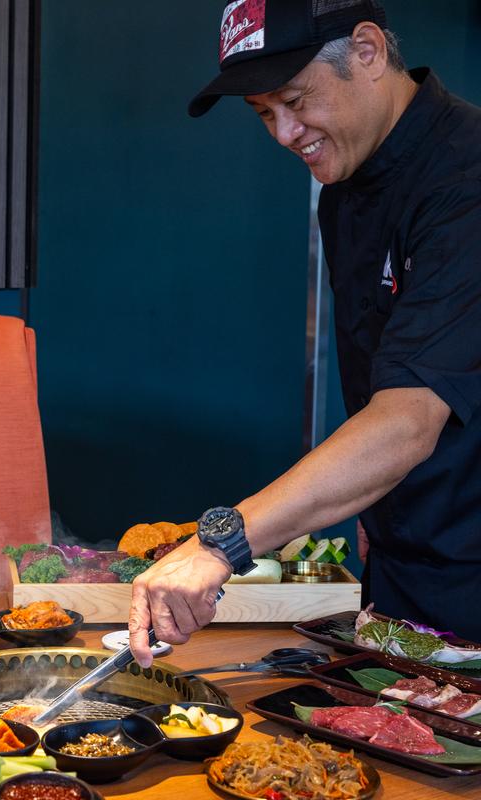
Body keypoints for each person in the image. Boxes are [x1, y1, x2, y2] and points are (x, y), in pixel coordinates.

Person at [129, 0, 481, 666]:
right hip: (403, 558)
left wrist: (221, 543)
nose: (286, 134)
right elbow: (382, 374)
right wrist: (372, 503)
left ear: (368, 51)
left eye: (294, 101)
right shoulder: (348, 183)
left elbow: (409, 419)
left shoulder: (467, 181)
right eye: (264, 113)